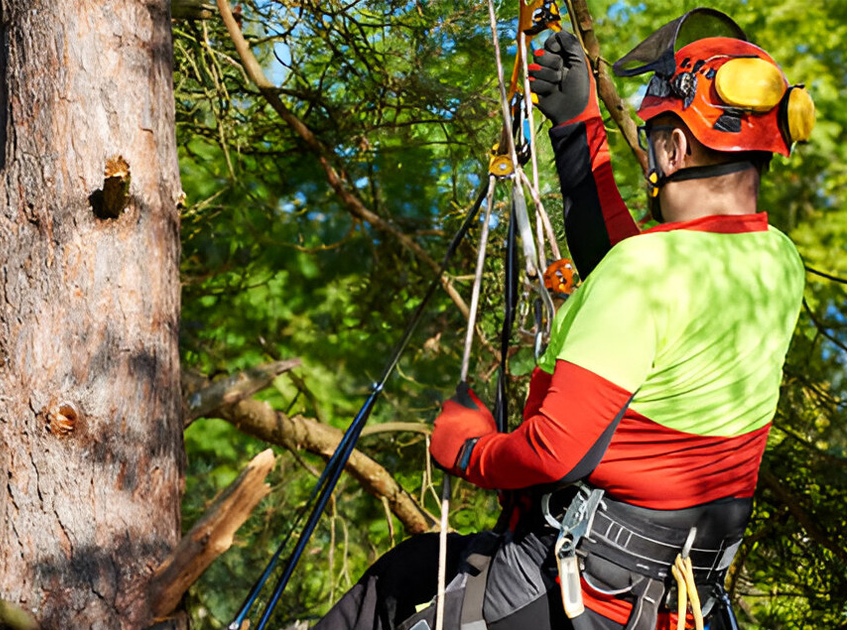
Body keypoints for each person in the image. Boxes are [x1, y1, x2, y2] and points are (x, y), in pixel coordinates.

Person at [311, 8, 812, 630]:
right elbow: (637, 272)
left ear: (676, 148)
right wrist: (579, 128)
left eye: (658, 135)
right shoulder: (777, 260)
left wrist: (469, 449)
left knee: (377, 604)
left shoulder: (646, 270)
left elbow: (554, 454)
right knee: (409, 568)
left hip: (574, 586)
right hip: (668, 598)